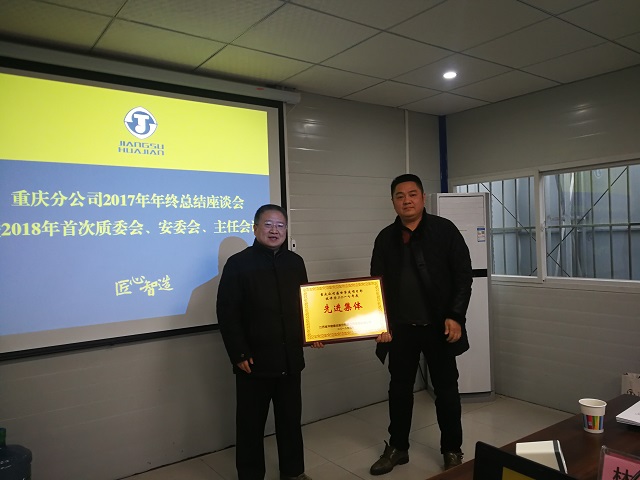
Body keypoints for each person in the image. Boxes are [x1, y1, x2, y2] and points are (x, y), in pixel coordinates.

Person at [369, 174, 473, 474]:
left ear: (423, 198)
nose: (407, 201)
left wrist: (455, 315)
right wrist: (380, 323)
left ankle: (452, 449)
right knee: (399, 390)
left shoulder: (444, 230)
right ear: (393, 202)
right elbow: (375, 285)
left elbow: (463, 276)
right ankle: (398, 447)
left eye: (412, 194)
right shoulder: (385, 238)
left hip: (439, 327)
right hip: (401, 329)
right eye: (400, 196)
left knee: (447, 391)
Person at [217, 204, 322, 480]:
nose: (275, 230)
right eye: (268, 224)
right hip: (254, 362)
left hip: (290, 359)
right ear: (255, 229)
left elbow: (306, 305)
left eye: (280, 225)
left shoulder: (295, 262)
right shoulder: (238, 264)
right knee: (250, 426)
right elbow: (227, 313)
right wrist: (239, 353)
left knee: (290, 422)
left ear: (286, 230)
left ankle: (293, 472)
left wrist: (314, 333)